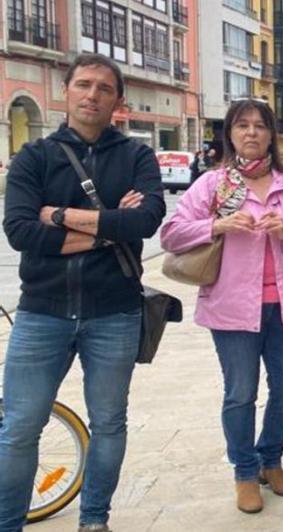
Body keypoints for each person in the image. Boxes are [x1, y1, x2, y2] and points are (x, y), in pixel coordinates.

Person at [0, 53, 166, 532]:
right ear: (67, 90)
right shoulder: (35, 156)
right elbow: (19, 232)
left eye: (104, 88)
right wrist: (107, 225)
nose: (92, 95)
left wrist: (58, 215)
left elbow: (145, 221)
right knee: (20, 428)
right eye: (84, 85)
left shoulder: (136, 155)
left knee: (109, 421)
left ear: (118, 100)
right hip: (42, 312)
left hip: (113, 310)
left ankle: (94, 519)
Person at [160, 100, 283, 514]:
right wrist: (216, 225)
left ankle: (270, 461)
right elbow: (170, 234)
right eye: (243, 126)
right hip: (233, 308)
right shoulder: (213, 185)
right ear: (231, 134)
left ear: (272, 135)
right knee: (240, 394)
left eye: (260, 126)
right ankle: (244, 471)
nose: (252, 133)